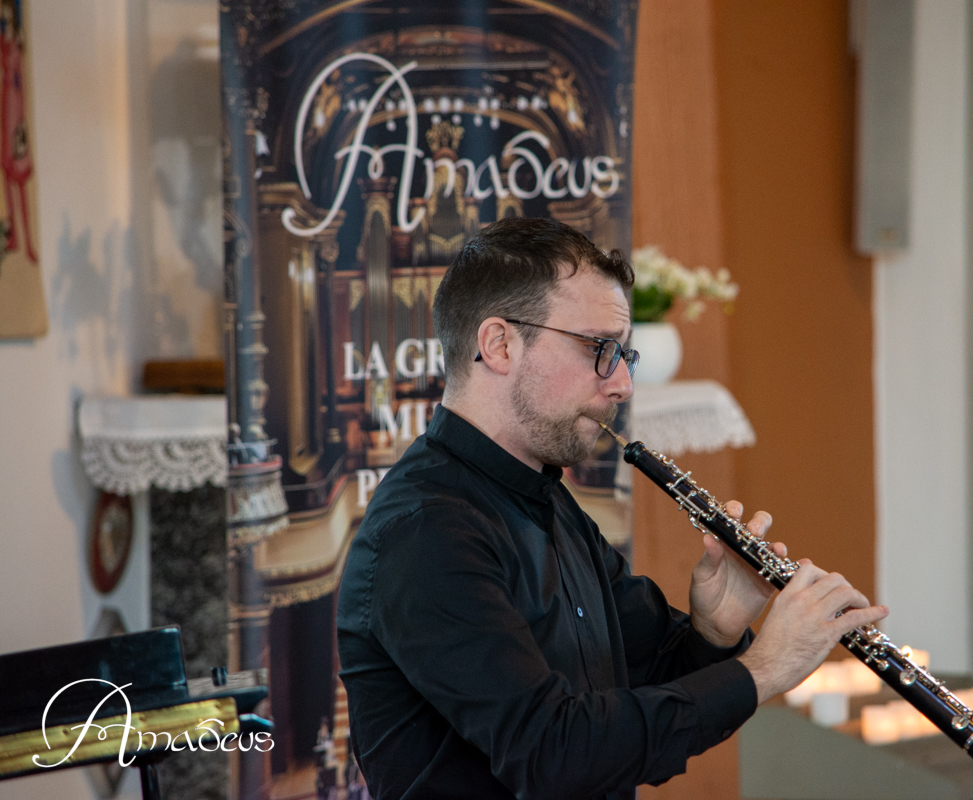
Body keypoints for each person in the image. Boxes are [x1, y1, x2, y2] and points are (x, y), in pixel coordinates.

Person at [336, 217, 887, 800]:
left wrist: (713, 632)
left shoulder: (551, 503)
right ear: (499, 344)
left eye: (624, 354)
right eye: (599, 348)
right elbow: (557, 756)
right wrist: (765, 670)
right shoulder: (425, 533)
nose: (622, 383)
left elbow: (632, 709)